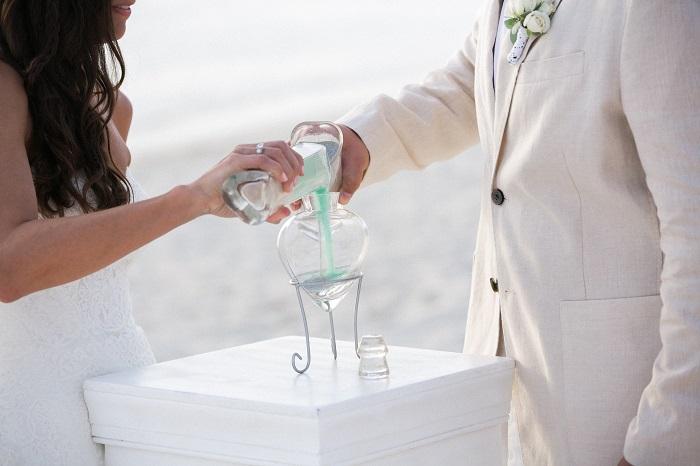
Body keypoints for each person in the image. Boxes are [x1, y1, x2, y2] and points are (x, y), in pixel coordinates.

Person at [314, 0, 699, 465]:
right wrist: (337, 149)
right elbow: (461, 89)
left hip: (618, 400)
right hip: (504, 381)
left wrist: (663, 440)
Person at [0, 1, 303, 464]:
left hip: (126, 391)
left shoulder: (107, 105)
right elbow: (10, 266)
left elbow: (96, 243)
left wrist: (216, 197)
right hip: (31, 414)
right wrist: (191, 198)